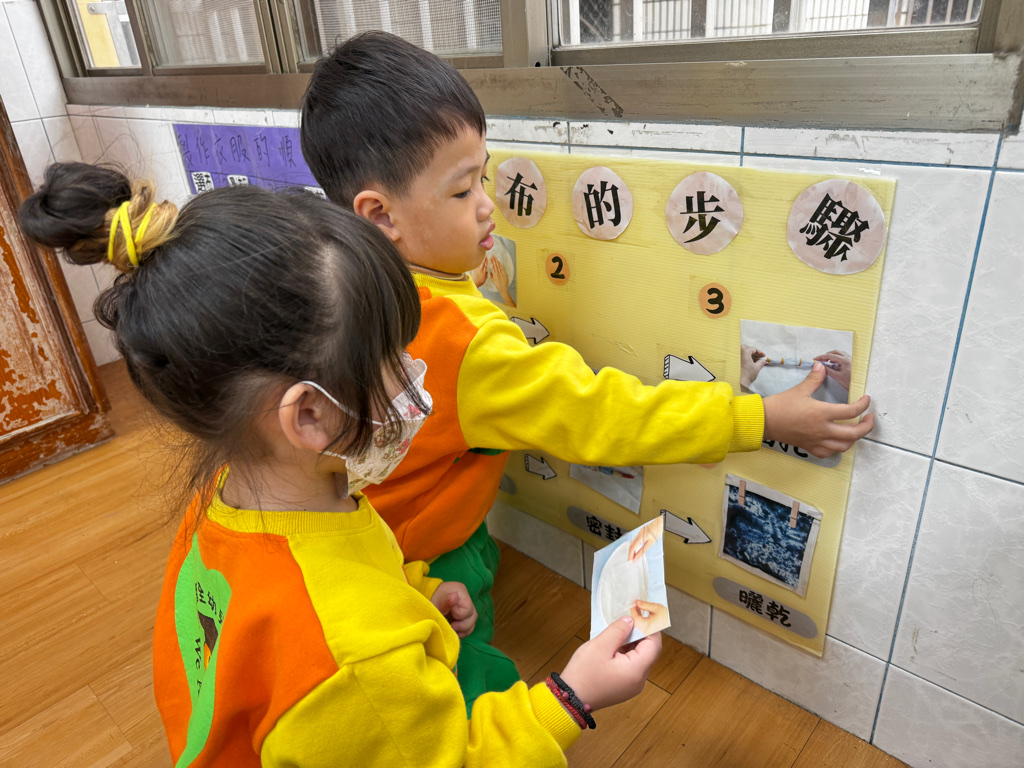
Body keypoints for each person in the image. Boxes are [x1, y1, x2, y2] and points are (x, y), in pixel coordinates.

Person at [300, 30, 874, 712]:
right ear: (380, 214)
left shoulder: (335, 282)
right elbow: (606, 415)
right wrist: (765, 415)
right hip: (425, 558)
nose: (487, 204)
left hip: (356, 549)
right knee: (464, 690)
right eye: (461, 190)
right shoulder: (469, 345)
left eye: (484, 175)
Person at [17, 163, 662, 767]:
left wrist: (415, 591)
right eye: (391, 359)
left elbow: (338, 573)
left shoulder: (236, 496)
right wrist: (572, 696)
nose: (415, 373)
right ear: (308, 416)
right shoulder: (358, 666)